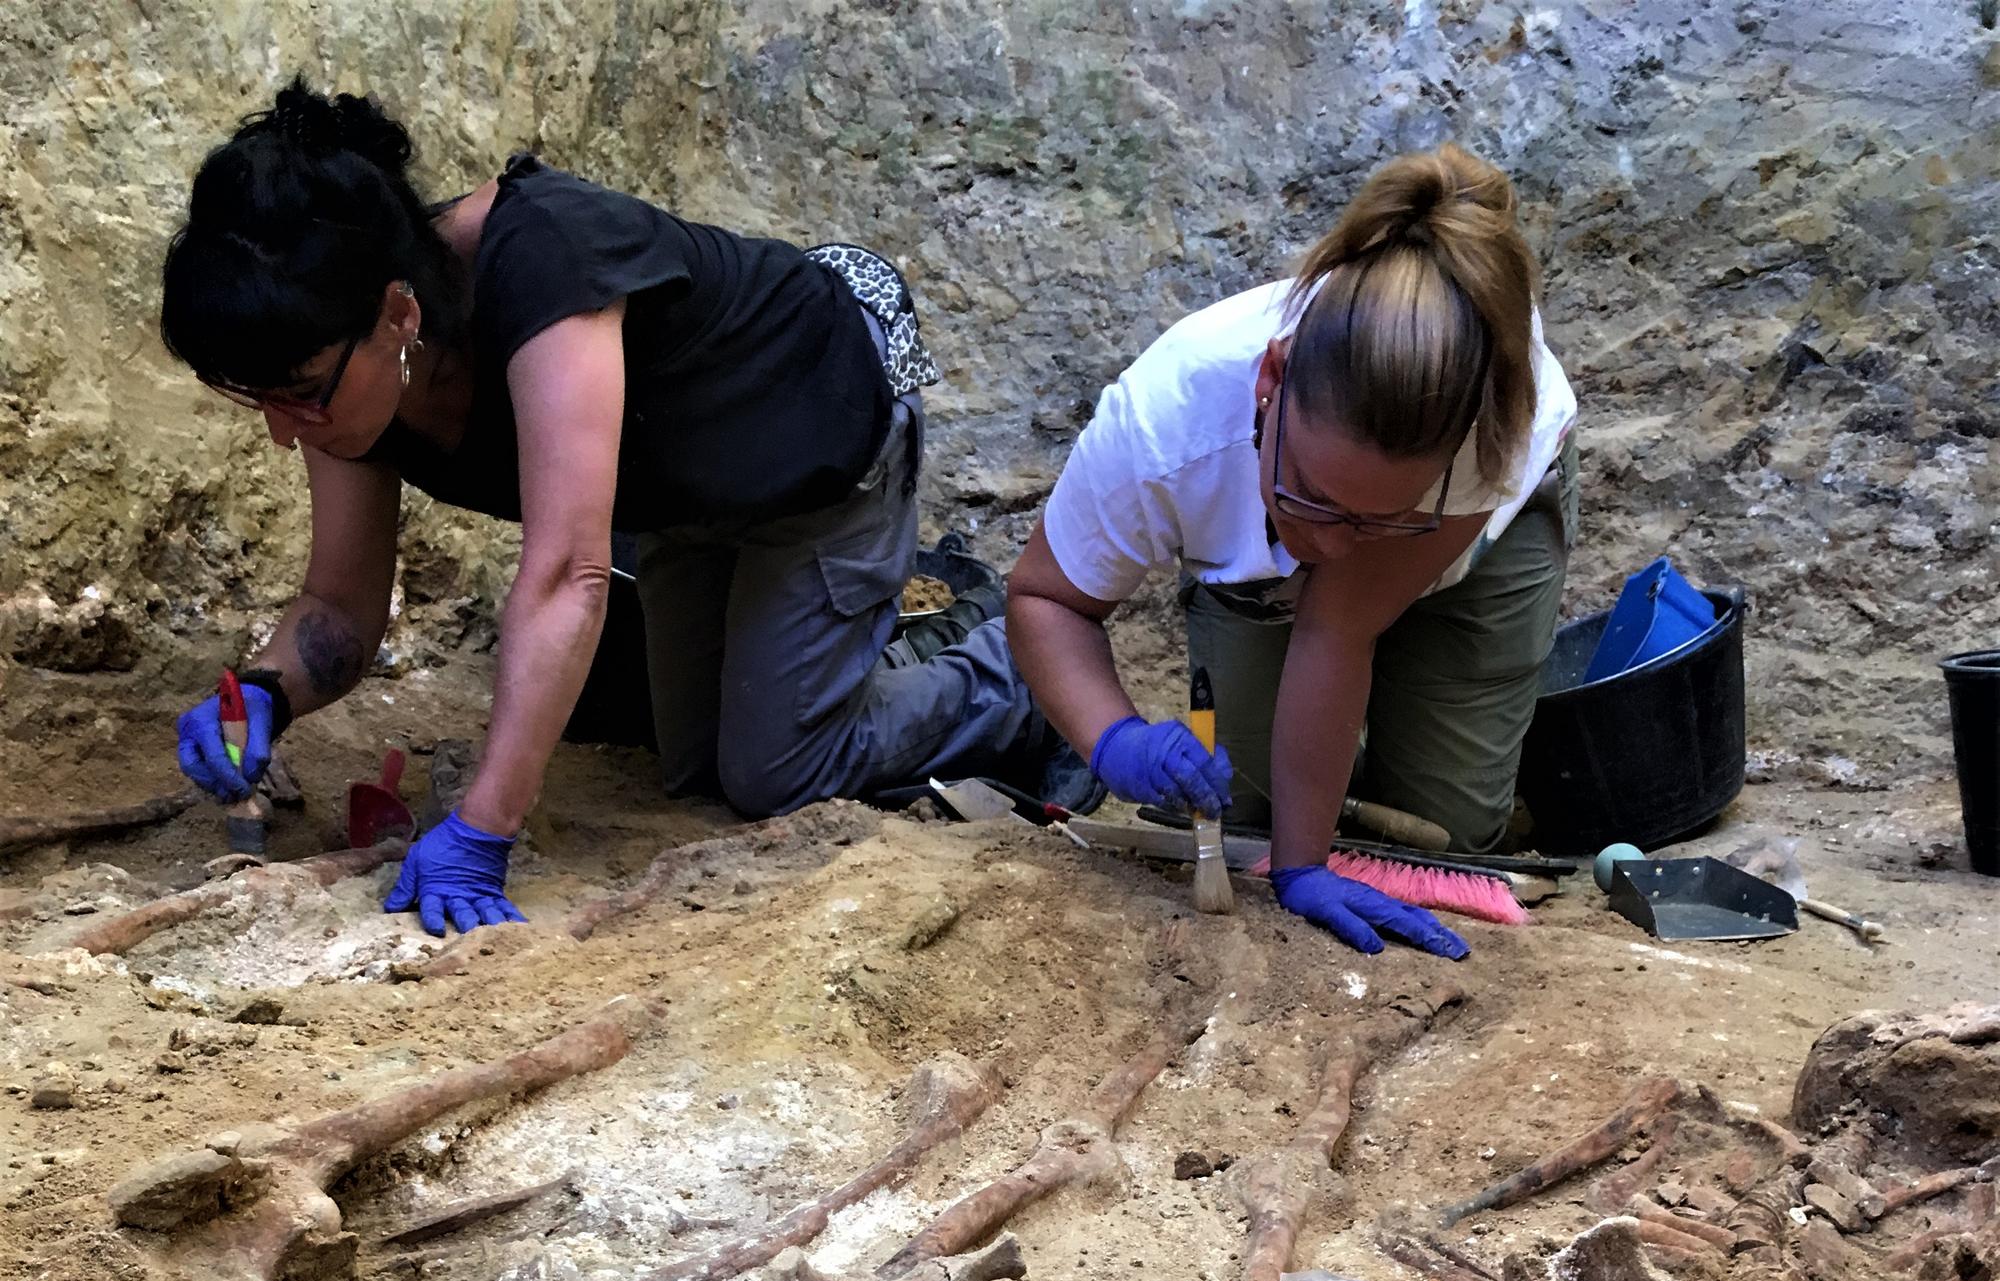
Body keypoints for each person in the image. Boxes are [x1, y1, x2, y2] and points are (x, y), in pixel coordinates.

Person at [161, 81, 1057, 937]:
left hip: (817, 432)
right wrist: (267, 694)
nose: (286, 432)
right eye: (257, 400)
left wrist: (485, 826)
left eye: (300, 395)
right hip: (683, 496)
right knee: (697, 768)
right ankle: (869, 652)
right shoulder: (338, 359)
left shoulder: (546, 261)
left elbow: (568, 575)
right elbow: (338, 607)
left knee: (778, 772)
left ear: (399, 314)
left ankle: (1027, 675)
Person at [1007, 144, 1579, 959]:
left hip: (1464, 544)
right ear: (1270, 381)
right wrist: (1114, 740)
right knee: (1242, 810)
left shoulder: (1492, 429)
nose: (1333, 545)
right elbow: (1044, 598)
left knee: (1443, 830)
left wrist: (1303, 868)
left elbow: (1338, 623)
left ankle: (1446, 709)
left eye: (1377, 513)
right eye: (1312, 494)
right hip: (1292, 566)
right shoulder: (1166, 420)